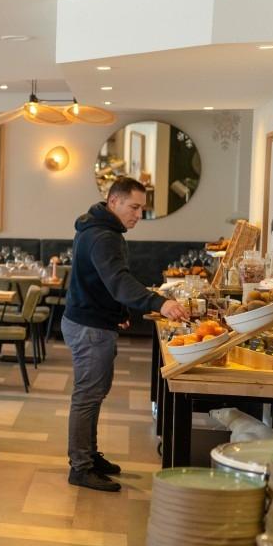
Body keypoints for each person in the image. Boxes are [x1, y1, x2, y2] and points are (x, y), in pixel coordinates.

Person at [63, 176, 189, 492]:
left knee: (94, 393)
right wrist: (160, 303)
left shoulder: (97, 228)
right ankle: (80, 467)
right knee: (87, 396)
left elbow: (102, 283)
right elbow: (119, 281)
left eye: (142, 209)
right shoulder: (103, 236)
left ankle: (89, 456)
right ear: (114, 201)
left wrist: (118, 313)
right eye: (134, 207)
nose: (138, 215)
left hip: (91, 321)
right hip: (88, 328)